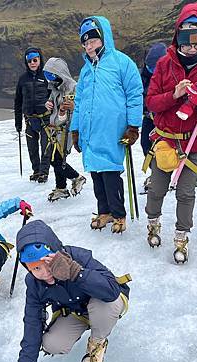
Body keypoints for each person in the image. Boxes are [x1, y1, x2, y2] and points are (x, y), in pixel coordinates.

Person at [1, 220, 130, 362]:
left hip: (104, 302)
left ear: (56, 253)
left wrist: (75, 272)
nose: (43, 273)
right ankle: (85, 326)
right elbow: (32, 326)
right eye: (35, 268)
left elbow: (111, 291)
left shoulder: (78, 257)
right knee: (53, 344)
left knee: (106, 305)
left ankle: (98, 341)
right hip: (76, 313)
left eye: (46, 264)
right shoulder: (34, 284)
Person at [143, 3, 197, 263]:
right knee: (156, 187)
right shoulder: (164, 64)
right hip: (166, 139)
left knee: (186, 191)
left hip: (195, 142)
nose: (192, 47)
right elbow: (151, 102)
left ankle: (181, 235)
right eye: (186, 40)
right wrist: (175, 94)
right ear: (177, 36)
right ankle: (153, 222)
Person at [70, 16, 143, 234]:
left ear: (104, 38)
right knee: (96, 174)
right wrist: (76, 129)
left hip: (112, 131)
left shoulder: (122, 63)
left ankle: (119, 214)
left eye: (93, 40)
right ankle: (104, 211)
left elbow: (134, 95)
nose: (89, 45)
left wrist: (133, 126)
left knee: (110, 173)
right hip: (90, 132)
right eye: (85, 42)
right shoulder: (85, 71)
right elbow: (80, 102)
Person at [42, 57, 87, 202]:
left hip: (67, 128)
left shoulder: (74, 87)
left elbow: (83, 106)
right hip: (55, 128)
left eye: (52, 76)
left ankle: (76, 177)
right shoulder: (55, 88)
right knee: (56, 157)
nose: (51, 80)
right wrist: (49, 104)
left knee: (57, 159)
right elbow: (52, 100)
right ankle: (61, 188)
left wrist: (74, 108)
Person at [14, 48, 51, 183]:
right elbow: (17, 101)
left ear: (40, 60)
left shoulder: (47, 77)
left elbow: (53, 96)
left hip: (46, 118)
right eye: (29, 61)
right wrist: (18, 123)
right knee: (32, 148)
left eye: (35, 60)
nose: (32, 63)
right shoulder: (22, 79)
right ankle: (36, 171)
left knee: (46, 146)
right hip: (29, 119)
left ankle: (44, 172)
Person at [140, 43, 168, 158]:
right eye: (149, 67)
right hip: (149, 117)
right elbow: (137, 95)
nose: (152, 71)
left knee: (165, 146)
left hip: (166, 117)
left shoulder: (170, 74)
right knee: (146, 144)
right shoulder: (142, 76)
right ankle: (154, 172)